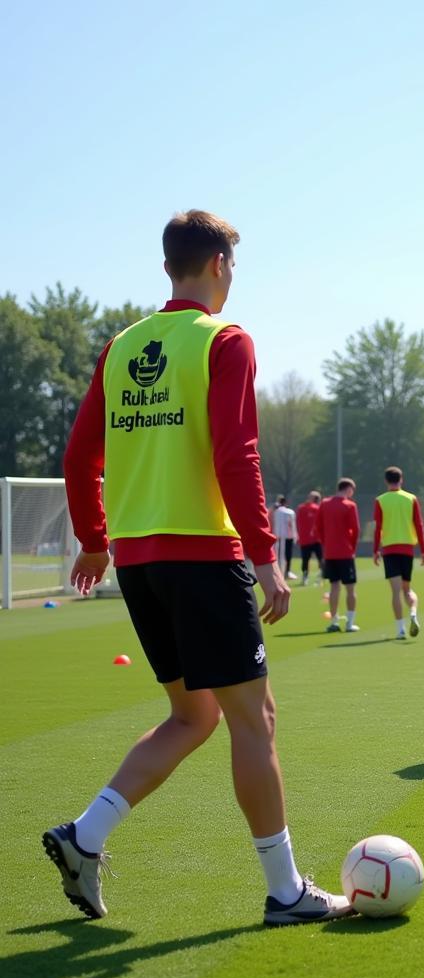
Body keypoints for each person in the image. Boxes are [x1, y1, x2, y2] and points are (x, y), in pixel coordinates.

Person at [47, 210, 352, 926]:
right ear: (219, 264)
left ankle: (83, 838)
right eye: (234, 266)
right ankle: (285, 893)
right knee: (257, 720)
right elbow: (234, 454)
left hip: (139, 564)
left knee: (192, 716)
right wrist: (265, 557)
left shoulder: (122, 345)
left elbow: (78, 457)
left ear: (167, 269)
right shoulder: (225, 339)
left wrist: (94, 539)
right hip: (203, 559)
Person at [373, 466, 424, 639]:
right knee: (407, 589)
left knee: (395, 591)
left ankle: (400, 629)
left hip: (389, 549)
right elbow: (419, 525)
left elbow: (378, 528)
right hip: (407, 549)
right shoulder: (411, 498)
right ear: (401, 479)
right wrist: (423, 551)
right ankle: (413, 612)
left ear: (386, 481)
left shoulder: (380, 500)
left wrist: (375, 550)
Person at [318, 478, 360, 633]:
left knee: (334, 587)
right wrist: (352, 548)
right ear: (348, 488)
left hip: (330, 552)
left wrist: (326, 544)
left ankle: (334, 621)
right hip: (345, 552)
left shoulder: (324, 504)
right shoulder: (350, 505)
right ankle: (349, 623)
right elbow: (355, 530)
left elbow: (319, 527)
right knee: (350, 589)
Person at [295, 490, 323, 585]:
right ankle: (320, 577)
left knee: (306, 559)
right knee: (319, 558)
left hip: (307, 539)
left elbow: (298, 523)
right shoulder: (317, 508)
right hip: (315, 539)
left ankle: (306, 577)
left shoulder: (301, 508)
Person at [272, 496, 298, 580]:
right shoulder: (289, 512)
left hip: (277, 536)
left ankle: (279, 572)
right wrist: (295, 535)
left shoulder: (275, 511)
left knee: (278, 555)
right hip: (287, 537)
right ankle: (286, 572)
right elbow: (292, 525)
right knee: (287, 555)